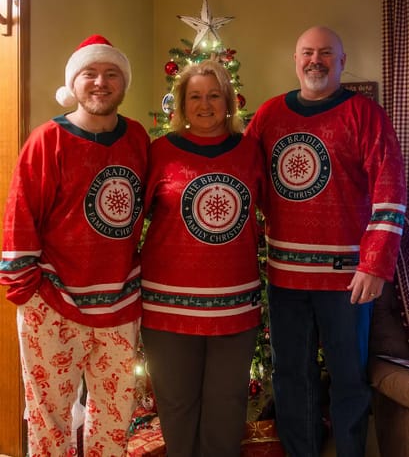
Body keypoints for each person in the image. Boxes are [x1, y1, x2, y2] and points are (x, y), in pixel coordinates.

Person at [245, 26, 407, 457]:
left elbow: (391, 190)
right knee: (290, 375)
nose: (315, 60)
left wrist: (375, 265)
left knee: (349, 376)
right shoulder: (268, 115)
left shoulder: (366, 114)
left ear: (342, 60)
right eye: (307, 53)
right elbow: (246, 181)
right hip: (285, 276)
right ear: (295, 60)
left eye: (325, 53)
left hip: (348, 279)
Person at [0, 34, 150, 456]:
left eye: (111, 74)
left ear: (124, 84)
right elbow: (20, 214)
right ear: (75, 82)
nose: (100, 82)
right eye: (90, 73)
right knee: (49, 415)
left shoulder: (137, 138)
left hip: (119, 302)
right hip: (52, 299)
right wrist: (27, 290)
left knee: (115, 414)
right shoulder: (47, 140)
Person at [140, 59, 265, 457]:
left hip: (235, 305)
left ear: (228, 101)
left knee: (226, 407)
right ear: (181, 104)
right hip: (167, 306)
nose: (205, 104)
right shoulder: (158, 152)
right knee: (176, 406)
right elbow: (127, 221)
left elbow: (277, 213)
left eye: (214, 95)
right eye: (195, 96)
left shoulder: (249, 152)